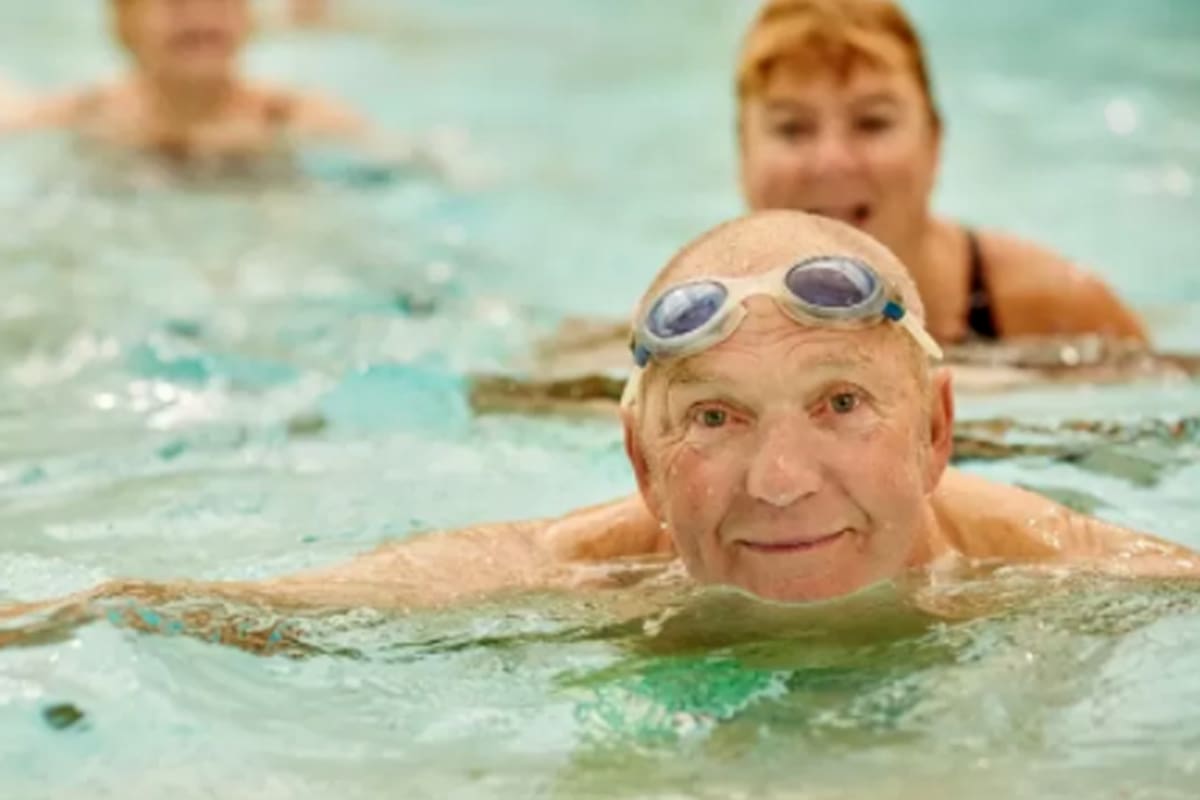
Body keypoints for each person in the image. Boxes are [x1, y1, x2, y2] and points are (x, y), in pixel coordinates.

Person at [1, 211, 1193, 646]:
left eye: (840, 403)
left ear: (938, 429)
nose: (779, 482)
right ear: (640, 461)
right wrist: (79, 611)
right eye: (714, 418)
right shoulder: (585, 581)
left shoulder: (1055, 574)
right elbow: (232, 606)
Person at [735, 0, 1146, 344]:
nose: (832, 161)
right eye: (792, 128)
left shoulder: (1054, 315)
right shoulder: (699, 325)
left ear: (934, 143)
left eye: (872, 122)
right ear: (744, 154)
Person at [2, 0, 367, 166]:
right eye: (176, 4)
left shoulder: (291, 117)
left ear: (249, 20)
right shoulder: (90, 111)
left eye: (222, 3)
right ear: (124, 23)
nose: (202, 16)